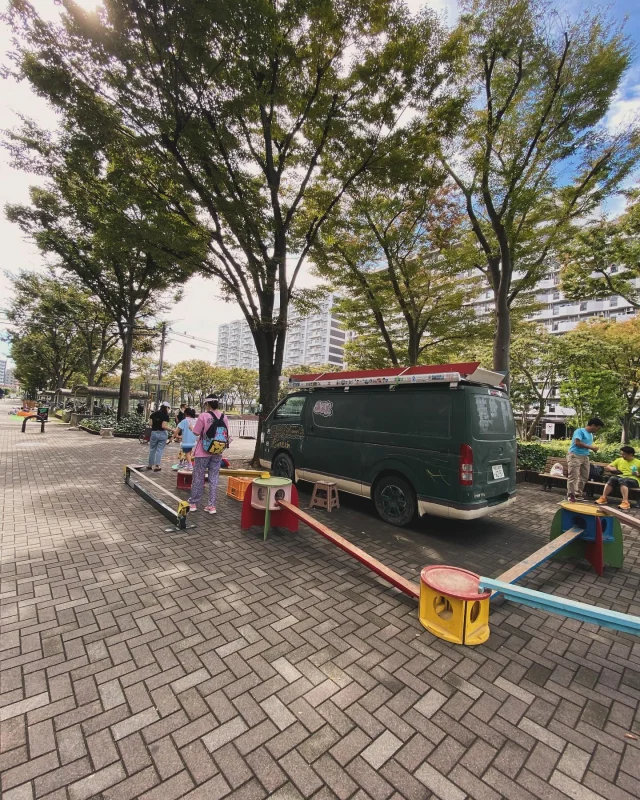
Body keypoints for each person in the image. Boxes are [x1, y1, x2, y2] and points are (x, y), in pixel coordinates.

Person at [189, 397, 230, 514]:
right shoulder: (224, 416)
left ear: (207, 404)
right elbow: (226, 434)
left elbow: (196, 432)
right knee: (214, 477)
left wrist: (191, 428)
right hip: (217, 451)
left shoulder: (203, 416)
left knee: (198, 476)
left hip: (203, 451)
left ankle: (194, 503)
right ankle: (211, 506)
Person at [566, 417, 604, 502]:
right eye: (598, 428)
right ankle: (571, 495)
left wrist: (592, 449)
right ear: (593, 425)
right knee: (573, 476)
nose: (598, 430)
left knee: (584, 476)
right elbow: (577, 442)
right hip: (575, 455)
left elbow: (585, 445)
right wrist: (591, 447)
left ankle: (578, 494)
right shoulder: (579, 431)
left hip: (585, 456)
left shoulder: (590, 435)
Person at [596, 445, 640, 510]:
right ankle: (603, 498)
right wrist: (612, 468)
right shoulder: (619, 460)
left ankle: (625, 502)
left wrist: (637, 474)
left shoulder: (638, 462)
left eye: (624, 454)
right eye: (621, 454)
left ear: (630, 454)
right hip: (620, 477)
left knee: (623, 480)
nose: (622, 456)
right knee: (612, 478)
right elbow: (608, 467)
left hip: (634, 479)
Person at [148, 400, 171, 472]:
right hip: (162, 433)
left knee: (152, 449)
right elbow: (164, 426)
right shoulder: (165, 416)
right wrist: (172, 430)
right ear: (166, 408)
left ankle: (150, 465)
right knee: (159, 450)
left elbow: (150, 424)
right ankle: (157, 466)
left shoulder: (153, 414)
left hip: (154, 433)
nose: (168, 410)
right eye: (168, 408)